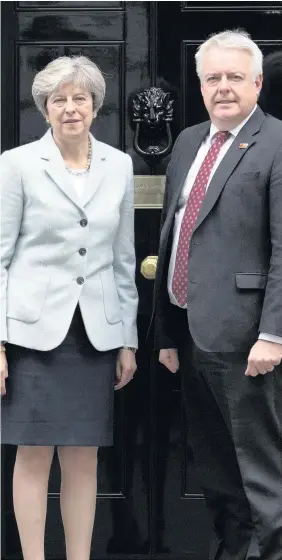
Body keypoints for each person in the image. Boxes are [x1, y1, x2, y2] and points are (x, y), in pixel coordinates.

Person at [0, 55, 138, 560]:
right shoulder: (15, 165)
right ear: (45, 109)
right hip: (33, 336)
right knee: (33, 455)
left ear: (95, 106)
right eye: (59, 99)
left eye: (80, 98)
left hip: (94, 336)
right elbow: (0, 256)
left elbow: (124, 259)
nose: (70, 107)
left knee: (83, 457)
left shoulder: (119, 165)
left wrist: (127, 340)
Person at [151, 30, 282, 560]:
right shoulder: (188, 142)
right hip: (191, 335)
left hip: (250, 340)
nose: (222, 88)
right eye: (212, 78)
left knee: (261, 475)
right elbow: (174, 231)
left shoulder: (276, 143)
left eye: (233, 77)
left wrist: (274, 333)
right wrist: (165, 332)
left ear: (256, 82)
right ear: (200, 86)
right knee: (216, 469)